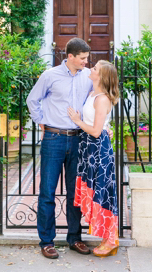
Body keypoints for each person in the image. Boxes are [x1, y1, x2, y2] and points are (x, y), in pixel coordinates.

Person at [26, 38, 93, 260]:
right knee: (47, 191)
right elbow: (32, 100)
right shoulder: (50, 76)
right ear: (70, 57)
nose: (86, 61)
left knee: (76, 193)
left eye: (87, 58)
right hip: (53, 138)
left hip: (77, 140)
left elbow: (98, 101)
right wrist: (42, 122)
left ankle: (75, 238)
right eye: (83, 58)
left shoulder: (88, 76)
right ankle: (47, 242)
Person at [67, 60, 120, 258]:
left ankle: (111, 240)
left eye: (95, 68)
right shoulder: (92, 93)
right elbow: (101, 124)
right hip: (88, 149)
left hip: (98, 150)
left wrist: (78, 121)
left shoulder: (102, 99)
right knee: (96, 190)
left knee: (102, 192)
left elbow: (97, 131)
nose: (91, 69)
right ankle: (107, 238)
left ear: (102, 76)